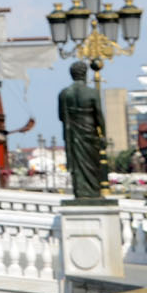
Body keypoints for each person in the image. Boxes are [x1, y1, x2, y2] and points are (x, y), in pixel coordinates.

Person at [57, 61, 106, 199]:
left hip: (74, 135)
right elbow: (99, 116)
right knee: (93, 165)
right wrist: (103, 135)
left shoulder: (64, 94)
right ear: (85, 74)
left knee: (78, 165)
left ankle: (81, 193)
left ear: (72, 75)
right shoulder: (92, 93)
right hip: (90, 133)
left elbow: (62, 117)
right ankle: (94, 192)